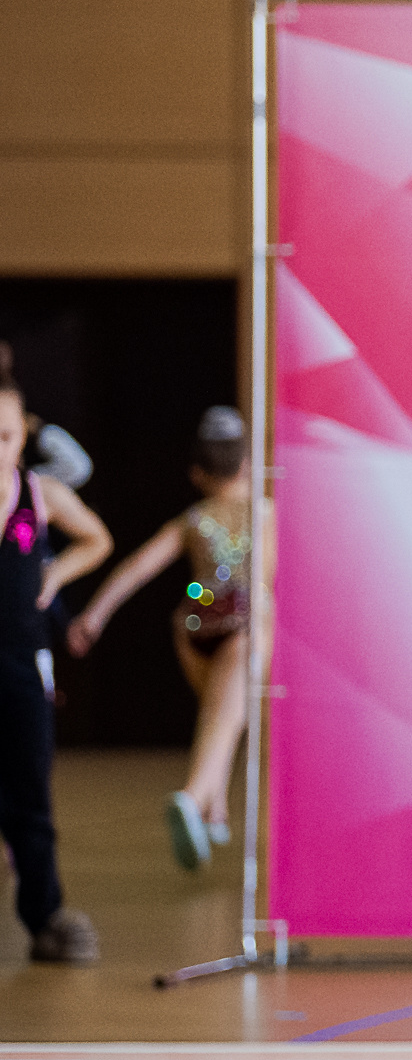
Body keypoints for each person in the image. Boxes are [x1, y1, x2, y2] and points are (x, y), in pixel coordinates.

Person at [67, 407, 272, 872]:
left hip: (194, 631)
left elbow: (138, 567)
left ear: (198, 473)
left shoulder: (193, 519)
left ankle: (215, 810)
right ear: (248, 465)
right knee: (229, 715)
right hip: (245, 631)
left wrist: (94, 616)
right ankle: (194, 796)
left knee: (221, 716)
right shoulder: (268, 514)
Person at [0, 349, 113, 961]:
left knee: (30, 799)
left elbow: (97, 538)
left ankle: (44, 917)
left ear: (23, 435)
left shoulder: (38, 494)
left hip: (22, 663)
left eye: (6, 435)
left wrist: (53, 575)